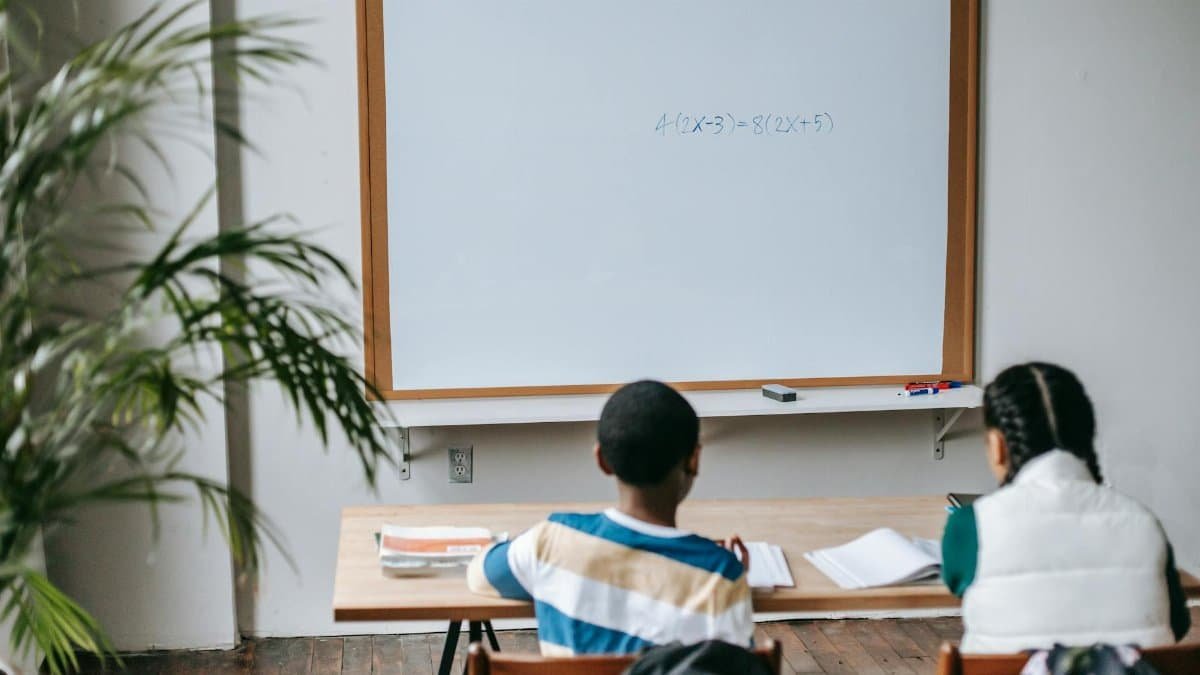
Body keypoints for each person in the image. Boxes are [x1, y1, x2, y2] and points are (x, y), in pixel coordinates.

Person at [467, 380, 753, 655]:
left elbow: (480, 575)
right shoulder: (720, 576)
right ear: (694, 459)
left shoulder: (550, 541)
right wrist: (721, 568)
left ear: (602, 459)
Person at [942, 362, 1191, 653]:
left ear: (997, 446)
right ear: (1087, 437)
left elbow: (960, 586)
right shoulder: (1142, 522)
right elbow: (1176, 624)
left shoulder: (973, 524)